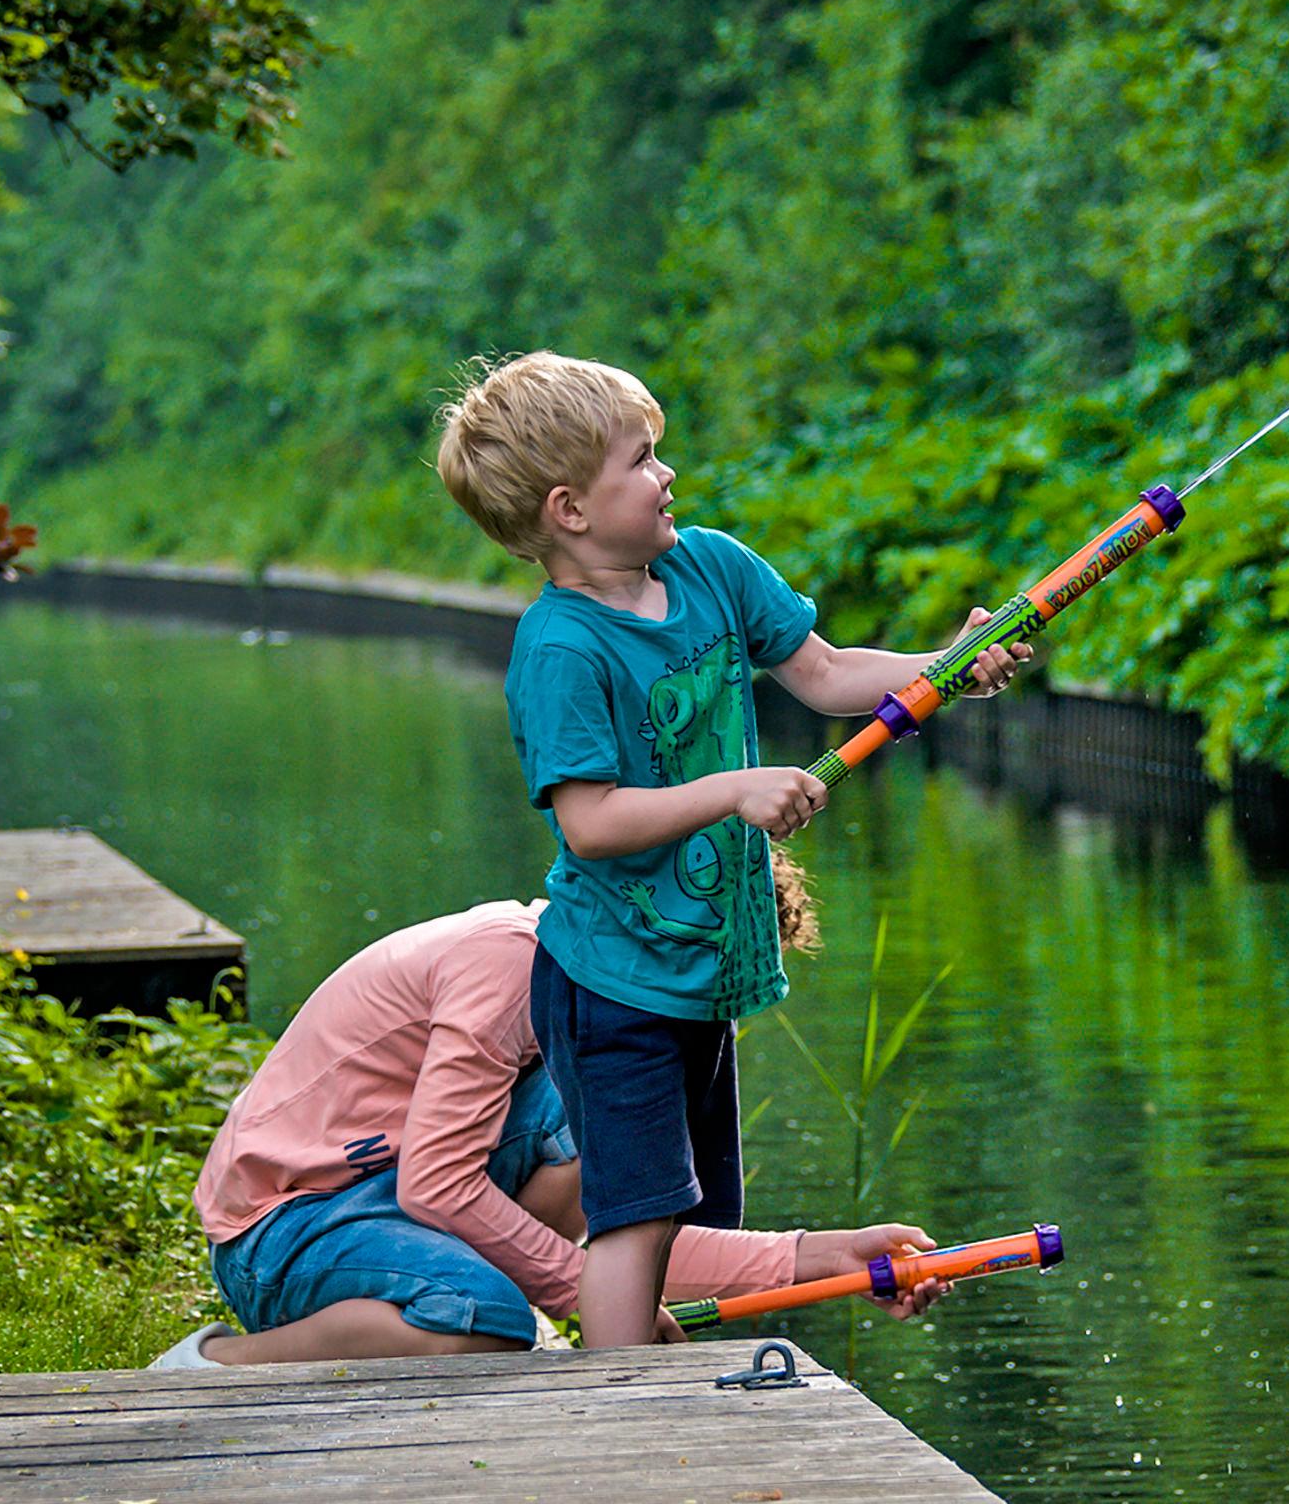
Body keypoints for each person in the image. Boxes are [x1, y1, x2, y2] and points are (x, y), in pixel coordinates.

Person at [432, 350, 1030, 1347]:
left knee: (694, 1207)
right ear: (570, 509)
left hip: (697, 970)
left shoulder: (709, 568)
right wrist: (730, 790)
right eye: (642, 459)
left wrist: (948, 666)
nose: (667, 475)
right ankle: (623, 1419)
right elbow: (589, 820)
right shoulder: (560, 649)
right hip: (611, 979)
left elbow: (829, 672)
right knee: (637, 1214)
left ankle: (668, 1410)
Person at [152, 866, 945, 1369]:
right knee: (494, 1322)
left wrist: (831, 1258)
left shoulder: (596, 1005)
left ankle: (471, 1300)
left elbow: (630, 1232)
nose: (702, 1014)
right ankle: (218, 1361)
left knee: (601, 1128)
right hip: (285, 1226)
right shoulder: (508, 967)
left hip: (388, 1198)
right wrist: (587, 1298)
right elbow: (437, 1187)